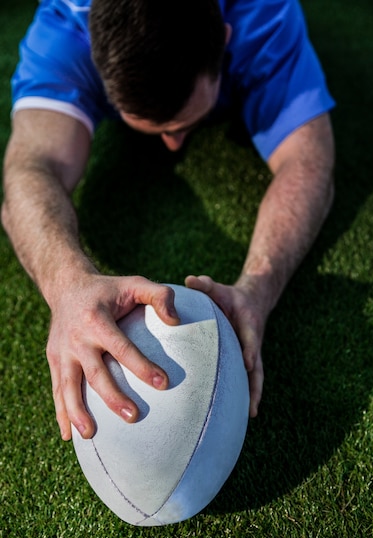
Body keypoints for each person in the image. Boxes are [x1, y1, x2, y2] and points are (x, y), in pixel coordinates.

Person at [1, 0, 335, 441]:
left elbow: (309, 164)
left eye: (185, 123)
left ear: (227, 38)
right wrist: (66, 286)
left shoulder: (263, 14)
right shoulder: (66, 26)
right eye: (155, 128)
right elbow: (30, 168)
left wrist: (259, 286)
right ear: (92, 57)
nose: (175, 144)